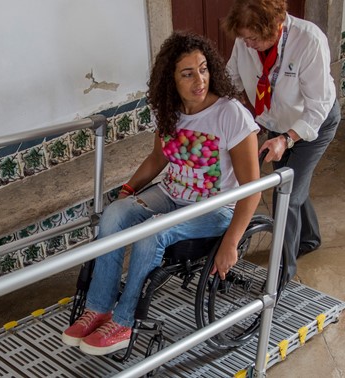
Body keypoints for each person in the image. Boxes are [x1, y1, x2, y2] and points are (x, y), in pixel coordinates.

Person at [61, 32, 261, 356]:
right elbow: (158, 158)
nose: (200, 80)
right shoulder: (169, 110)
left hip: (214, 208)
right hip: (171, 193)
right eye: (188, 73)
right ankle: (99, 307)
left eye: (203, 68)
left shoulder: (231, 115)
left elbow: (253, 190)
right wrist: (127, 192)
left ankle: (124, 321)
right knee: (114, 214)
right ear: (171, 79)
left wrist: (231, 243)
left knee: (150, 235)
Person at [224, 0, 340, 282]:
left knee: (285, 196)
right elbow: (231, 79)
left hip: (313, 125)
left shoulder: (308, 40)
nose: (247, 44)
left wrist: (287, 140)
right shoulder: (245, 41)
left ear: (274, 27)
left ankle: (280, 277)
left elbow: (318, 107)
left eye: (253, 38)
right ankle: (309, 239)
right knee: (295, 184)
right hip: (275, 121)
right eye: (243, 37)